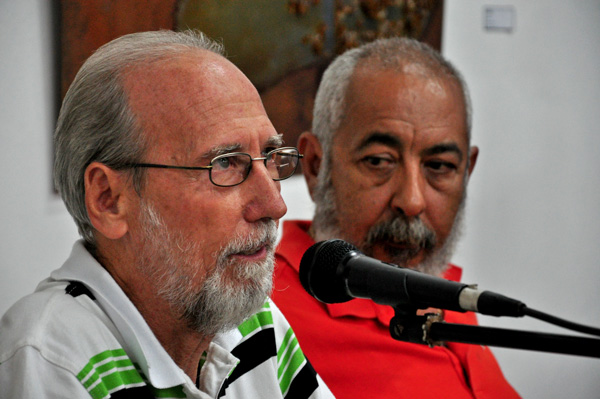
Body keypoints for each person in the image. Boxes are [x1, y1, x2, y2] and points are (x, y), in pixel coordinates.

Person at [0, 30, 334, 399]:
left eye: (270, 157)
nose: (274, 205)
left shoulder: (252, 321)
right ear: (109, 199)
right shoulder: (48, 361)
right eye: (224, 164)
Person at [271, 37, 520, 398]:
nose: (412, 200)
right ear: (315, 166)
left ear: (467, 171)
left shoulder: (443, 288)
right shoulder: (264, 317)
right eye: (378, 161)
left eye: (439, 166)